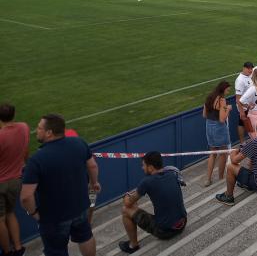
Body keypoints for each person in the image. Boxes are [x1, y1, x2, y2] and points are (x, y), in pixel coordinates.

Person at [21, 114, 100, 256]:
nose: (36, 130)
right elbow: (92, 166)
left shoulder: (36, 160)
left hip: (53, 217)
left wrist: (33, 213)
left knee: (56, 251)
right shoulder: (79, 142)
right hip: (80, 207)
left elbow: (26, 197)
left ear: (49, 132)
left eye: (39, 128)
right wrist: (94, 183)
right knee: (86, 237)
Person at [119, 152, 187, 253]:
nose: (142, 168)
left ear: (150, 167)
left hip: (165, 231)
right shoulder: (172, 173)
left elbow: (128, 203)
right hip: (182, 223)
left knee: (125, 210)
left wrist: (126, 197)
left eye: (143, 165)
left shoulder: (147, 181)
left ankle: (133, 245)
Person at [215, 120, 257, 206]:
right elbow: (251, 163)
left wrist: (233, 153)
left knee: (231, 167)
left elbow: (234, 160)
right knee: (252, 161)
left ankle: (228, 197)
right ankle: (248, 184)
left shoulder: (255, 143)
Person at [0, 104, 29, 256]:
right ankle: (18, 248)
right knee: (10, 213)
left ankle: (7, 252)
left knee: (0, 219)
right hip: (16, 180)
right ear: (14, 114)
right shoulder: (23, 127)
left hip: (1, 183)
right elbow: (25, 150)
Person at [203, 81, 232, 187]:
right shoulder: (222, 100)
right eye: (228, 89)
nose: (228, 91)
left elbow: (204, 114)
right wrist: (228, 109)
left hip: (208, 126)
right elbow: (222, 119)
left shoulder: (209, 97)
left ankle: (208, 179)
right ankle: (220, 178)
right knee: (223, 153)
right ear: (223, 89)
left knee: (212, 153)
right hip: (219, 128)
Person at [235, 62, 254, 144]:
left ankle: (254, 139)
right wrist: (242, 111)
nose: (250, 70)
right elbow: (238, 99)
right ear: (244, 68)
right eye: (248, 68)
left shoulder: (250, 75)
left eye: (251, 68)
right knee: (242, 124)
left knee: (251, 123)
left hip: (251, 106)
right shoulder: (240, 80)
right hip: (244, 107)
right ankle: (242, 143)